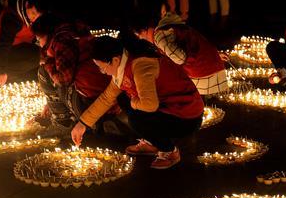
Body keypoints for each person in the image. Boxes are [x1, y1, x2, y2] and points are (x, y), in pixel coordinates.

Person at [71, 37, 204, 170]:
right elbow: (106, 98)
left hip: (186, 116)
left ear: (115, 60)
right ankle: (152, 141)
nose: (103, 72)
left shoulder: (141, 66)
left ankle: (169, 151)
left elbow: (150, 105)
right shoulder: (123, 66)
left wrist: (133, 102)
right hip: (168, 108)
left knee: (136, 119)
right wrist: (82, 124)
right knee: (123, 98)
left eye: (102, 68)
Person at [27, 0, 111, 132]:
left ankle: (63, 123)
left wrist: (47, 61)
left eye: (38, 39)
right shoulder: (73, 30)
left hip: (90, 103)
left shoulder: (61, 42)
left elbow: (63, 80)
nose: (39, 44)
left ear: (46, 34)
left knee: (44, 72)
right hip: (101, 99)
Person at [131, 8, 229, 96]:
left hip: (202, 69)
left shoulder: (159, 37)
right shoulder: (170, 26)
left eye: (138, 35)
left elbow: (180, 58)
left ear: (144, 30)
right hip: (210, 61)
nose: (140, 38)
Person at [0, 0, 42, 84]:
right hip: (1, 45)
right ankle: (6, 75)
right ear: (26, 5)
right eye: (33, 13)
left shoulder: (32, 13)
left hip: (21, 41)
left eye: (38, 16)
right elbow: (3, 44)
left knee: (43, 54)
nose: (34, 18)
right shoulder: (12, 18)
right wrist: (0, 71)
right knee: (38, 56)